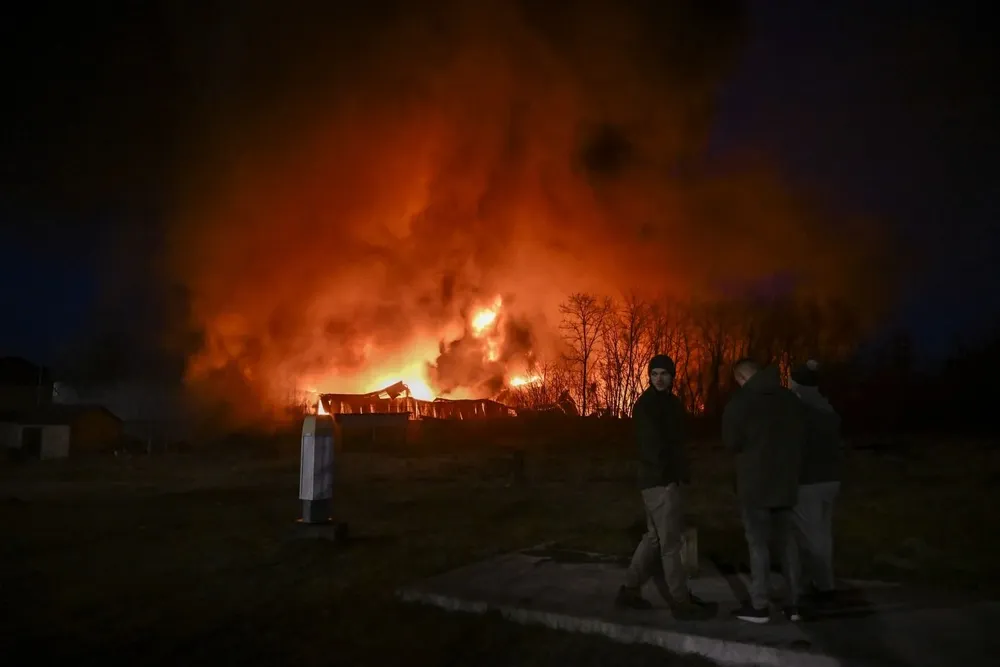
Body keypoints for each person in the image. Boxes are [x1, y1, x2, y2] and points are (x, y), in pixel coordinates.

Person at [616, 354, 710, 620]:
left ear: (672, 377)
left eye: (664, 374)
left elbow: (678, 443)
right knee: (670, 544)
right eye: (654, 374)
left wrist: (682, 474)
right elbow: (652, 448)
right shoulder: (646, 406)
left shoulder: (672, 404)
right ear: (649, 377)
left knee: (654, 538)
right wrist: (668, 480)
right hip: (659, 482)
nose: (659, 378)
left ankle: (630, 589)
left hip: (666, 480)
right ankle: (680, 602)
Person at [722, 359, 806, 623]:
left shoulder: (740, 403)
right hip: (786, 482)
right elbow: (803, 435)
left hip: (755, 484)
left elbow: (731, 442)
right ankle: (795, 604)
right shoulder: (790, 399)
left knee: (758, 545)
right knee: (787, 543)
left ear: (741, 378)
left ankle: (759, 605)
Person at [789, 359, 843, 603]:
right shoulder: (827, 407)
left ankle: (823, 587)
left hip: (809, 482)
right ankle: (819, 581)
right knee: (822, 533)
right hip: (831, 480)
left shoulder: (801, 411)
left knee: (811, 537)